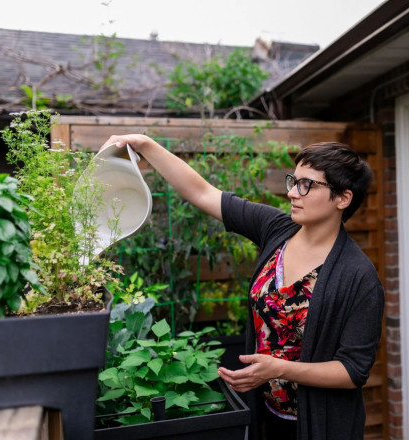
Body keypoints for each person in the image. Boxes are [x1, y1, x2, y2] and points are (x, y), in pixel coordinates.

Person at [99, 135, 385, 440]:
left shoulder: (359, 277)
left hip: (322, 425)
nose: (291, 192)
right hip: (265, 413)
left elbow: (352, 371)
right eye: (293, 181)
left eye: (307, 185)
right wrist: (145, 145)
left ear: (343, 198)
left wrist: (279, 368)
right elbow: (203, 193)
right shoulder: (276, 229)